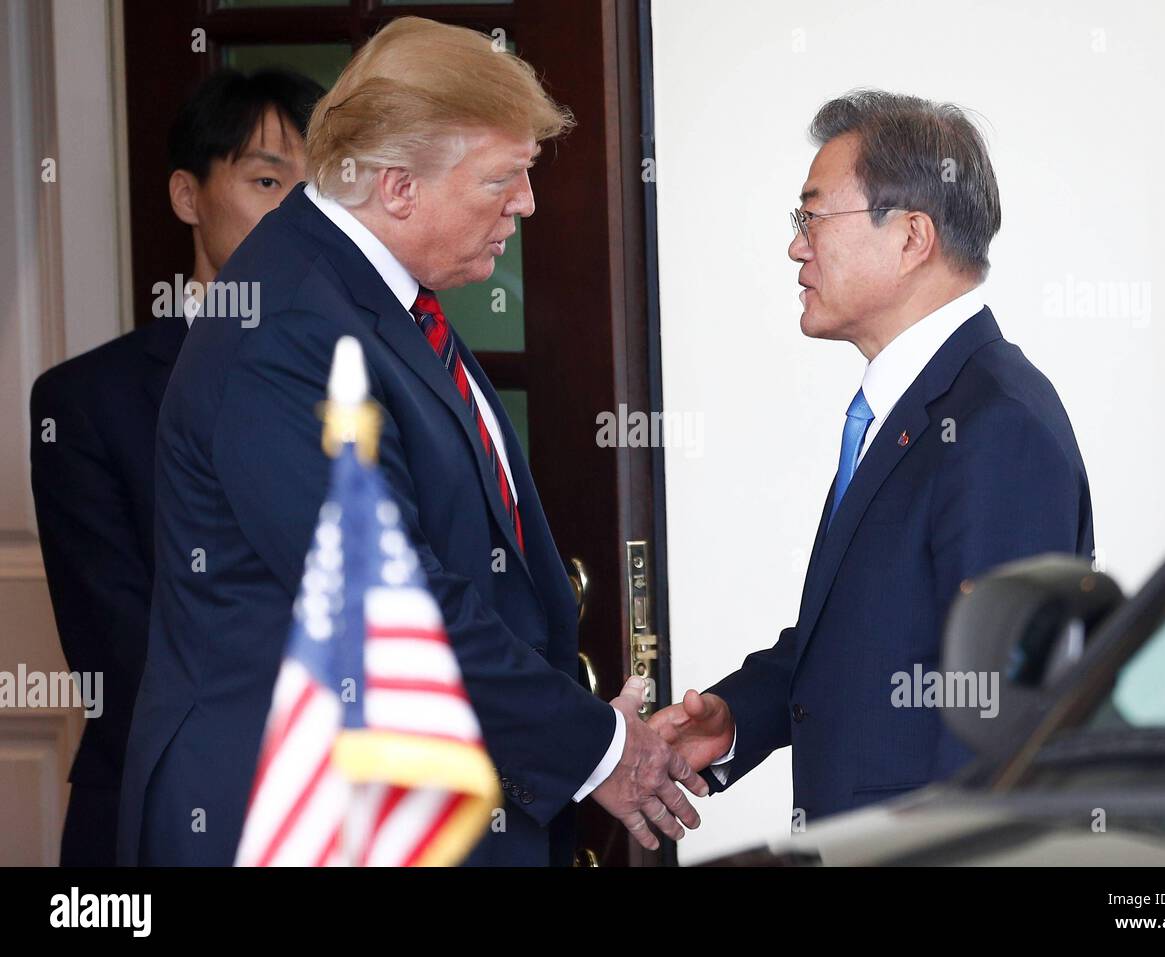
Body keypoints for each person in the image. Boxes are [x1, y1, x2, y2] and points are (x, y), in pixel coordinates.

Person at [117, 17, 705, 868]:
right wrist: (601, 748)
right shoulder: (291, 330)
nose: (527, 204)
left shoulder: (368, 291)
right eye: (503, 179)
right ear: (396, 187)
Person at [651, 90, 1094, 824]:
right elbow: (867, 631)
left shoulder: (998, 426)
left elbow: (997, 719)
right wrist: (737, 719)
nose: (797, 245)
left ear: (912, 236)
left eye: (812, 216)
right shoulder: (915, 404)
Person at [29, 67, 321, 866]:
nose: (297, 212)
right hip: (164, 809)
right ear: (188, 196)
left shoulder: (368, 384)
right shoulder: (86, 401)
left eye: (318, 188)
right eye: (267, 180)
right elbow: (120, 652)